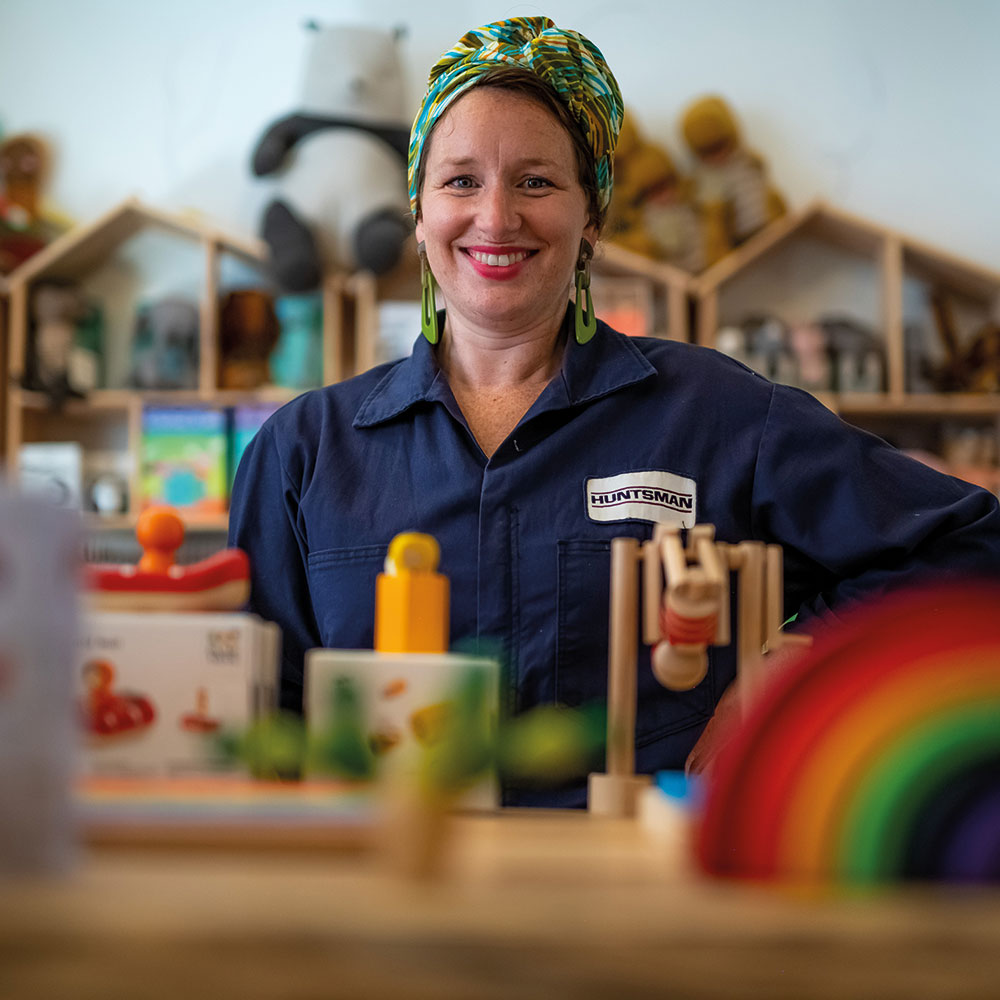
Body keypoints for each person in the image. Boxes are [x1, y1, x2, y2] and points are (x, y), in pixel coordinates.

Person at [229, 16, 1000, 807]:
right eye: (461, 181)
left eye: (535, 181)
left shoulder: (719, 415)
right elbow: (256, 723)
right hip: (390, 893)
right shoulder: (302, 452)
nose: (496, 218)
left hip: (649, 903)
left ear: (591, 219)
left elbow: (972, 543)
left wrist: (785, 677)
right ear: (418, 214)